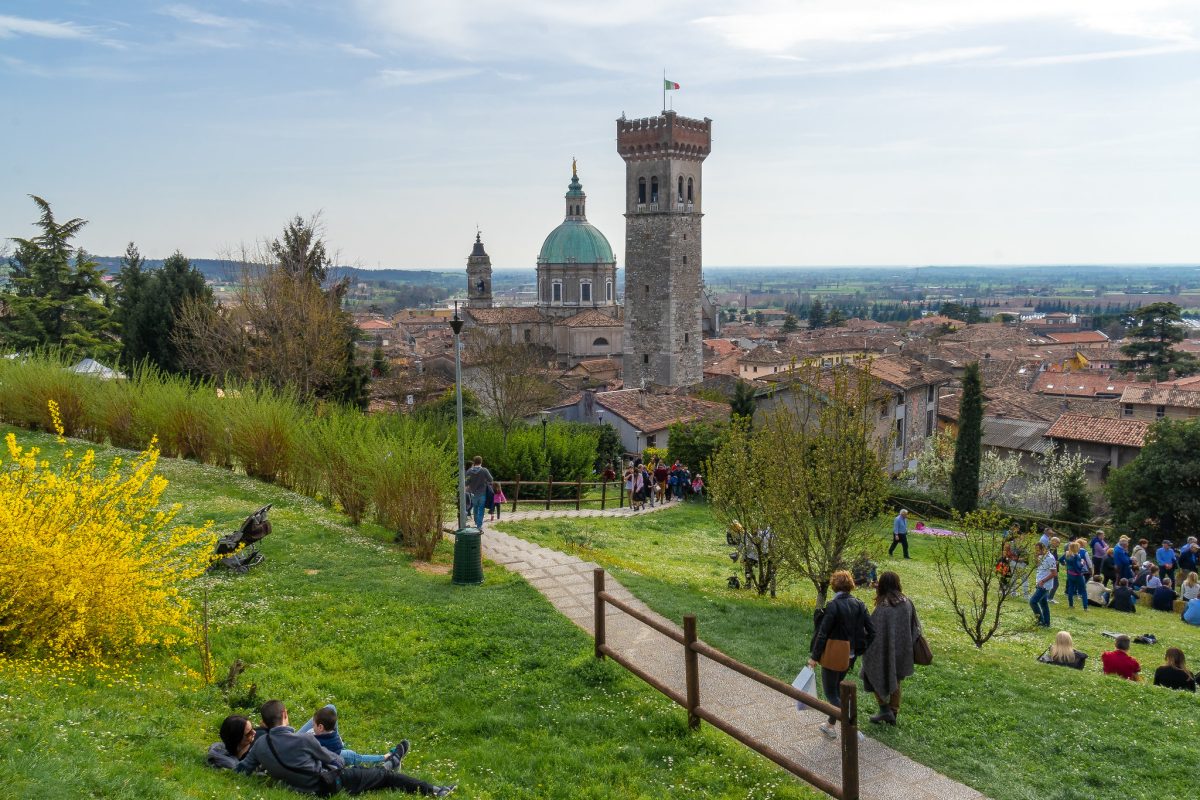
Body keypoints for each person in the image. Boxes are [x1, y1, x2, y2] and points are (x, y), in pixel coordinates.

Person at [236, 700, 455, 796]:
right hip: (327, 784)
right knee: (385, 777)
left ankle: (386, 764)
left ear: (264, 722)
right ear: (284, 715)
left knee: (376, 776)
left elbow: (242, 769)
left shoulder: (259, 746)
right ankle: (435, 790)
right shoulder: (305, 741)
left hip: (299, 786)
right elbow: (337, 762)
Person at [808, 570, 875, 739]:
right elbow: (873, 631)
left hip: (832, 655)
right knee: (838, 691)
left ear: (834, 585)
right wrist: (859, 649)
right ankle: (830, 725)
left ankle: (852, 728)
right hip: (850, 656)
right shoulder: (860, 604)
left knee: (831, 694)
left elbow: (823, 633)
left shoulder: (833, 605)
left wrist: (814, 657)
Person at [860, 571, 921, 725]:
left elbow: (872, 631)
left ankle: (884, 709)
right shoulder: (907, 602)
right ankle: (893, 711)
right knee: (896, 679)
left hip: (883, 650)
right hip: (903, 649)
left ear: (882, 585)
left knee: (869, 672)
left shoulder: (884, 607)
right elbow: (916, 626)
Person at [300, 704, 407, 769]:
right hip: (334, 746)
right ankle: (386, 758)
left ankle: (385, 758)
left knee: (355, 757)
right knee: (330, 708)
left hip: (333, 751)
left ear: (320, 727)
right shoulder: (320, 737)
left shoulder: (314, 740)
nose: (312, 726)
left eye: (314, 724)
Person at [1029, 542, 1056, 627]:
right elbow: (1038, 566)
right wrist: (1035, 557)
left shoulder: (1050, 558)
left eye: (1038, 550)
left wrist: (1043, 581)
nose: (1036, 551)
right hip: (1040, 582)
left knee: (1033, 602)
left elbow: (1054, 573)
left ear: (1043, 549)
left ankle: (1040, 621)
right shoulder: (1041, 556)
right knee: (1043, 603)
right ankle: (1046, 623)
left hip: (1044, 585)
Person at [464, 456, 493, 529]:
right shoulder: (484, 470)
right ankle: (479, 525)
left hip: (473, 493)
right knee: (481, 509)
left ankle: (476, 522)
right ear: (481, 462)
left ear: (474, 462)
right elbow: (491, 479)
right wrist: (485, 480)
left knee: (475, 508)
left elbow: (466, 482)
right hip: (482, 493)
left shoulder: (469, 471)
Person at [1063, 542, 1088, 610]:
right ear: (1076, 548)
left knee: (1070, 589)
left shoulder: (1067, 554)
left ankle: (1071, 605)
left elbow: (1061, 560)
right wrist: (1082, 563)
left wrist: (1066, 564)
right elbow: (1078, 567)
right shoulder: (1076, 556)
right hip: (1078, 575)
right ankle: (1085, 607)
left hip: (1070, 574)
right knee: (1083, 590)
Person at [1047, 536, 1062, 604]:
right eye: (1058, 542)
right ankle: (1049, 598)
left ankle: (1048, 597)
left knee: (1051, 584)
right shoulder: (1051, 549)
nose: (1059, 544)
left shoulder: (1054, 549)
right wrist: (1055, 562)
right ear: (1053, 542)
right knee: (1056, 584)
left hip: (1054, 569)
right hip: (1051, 569)